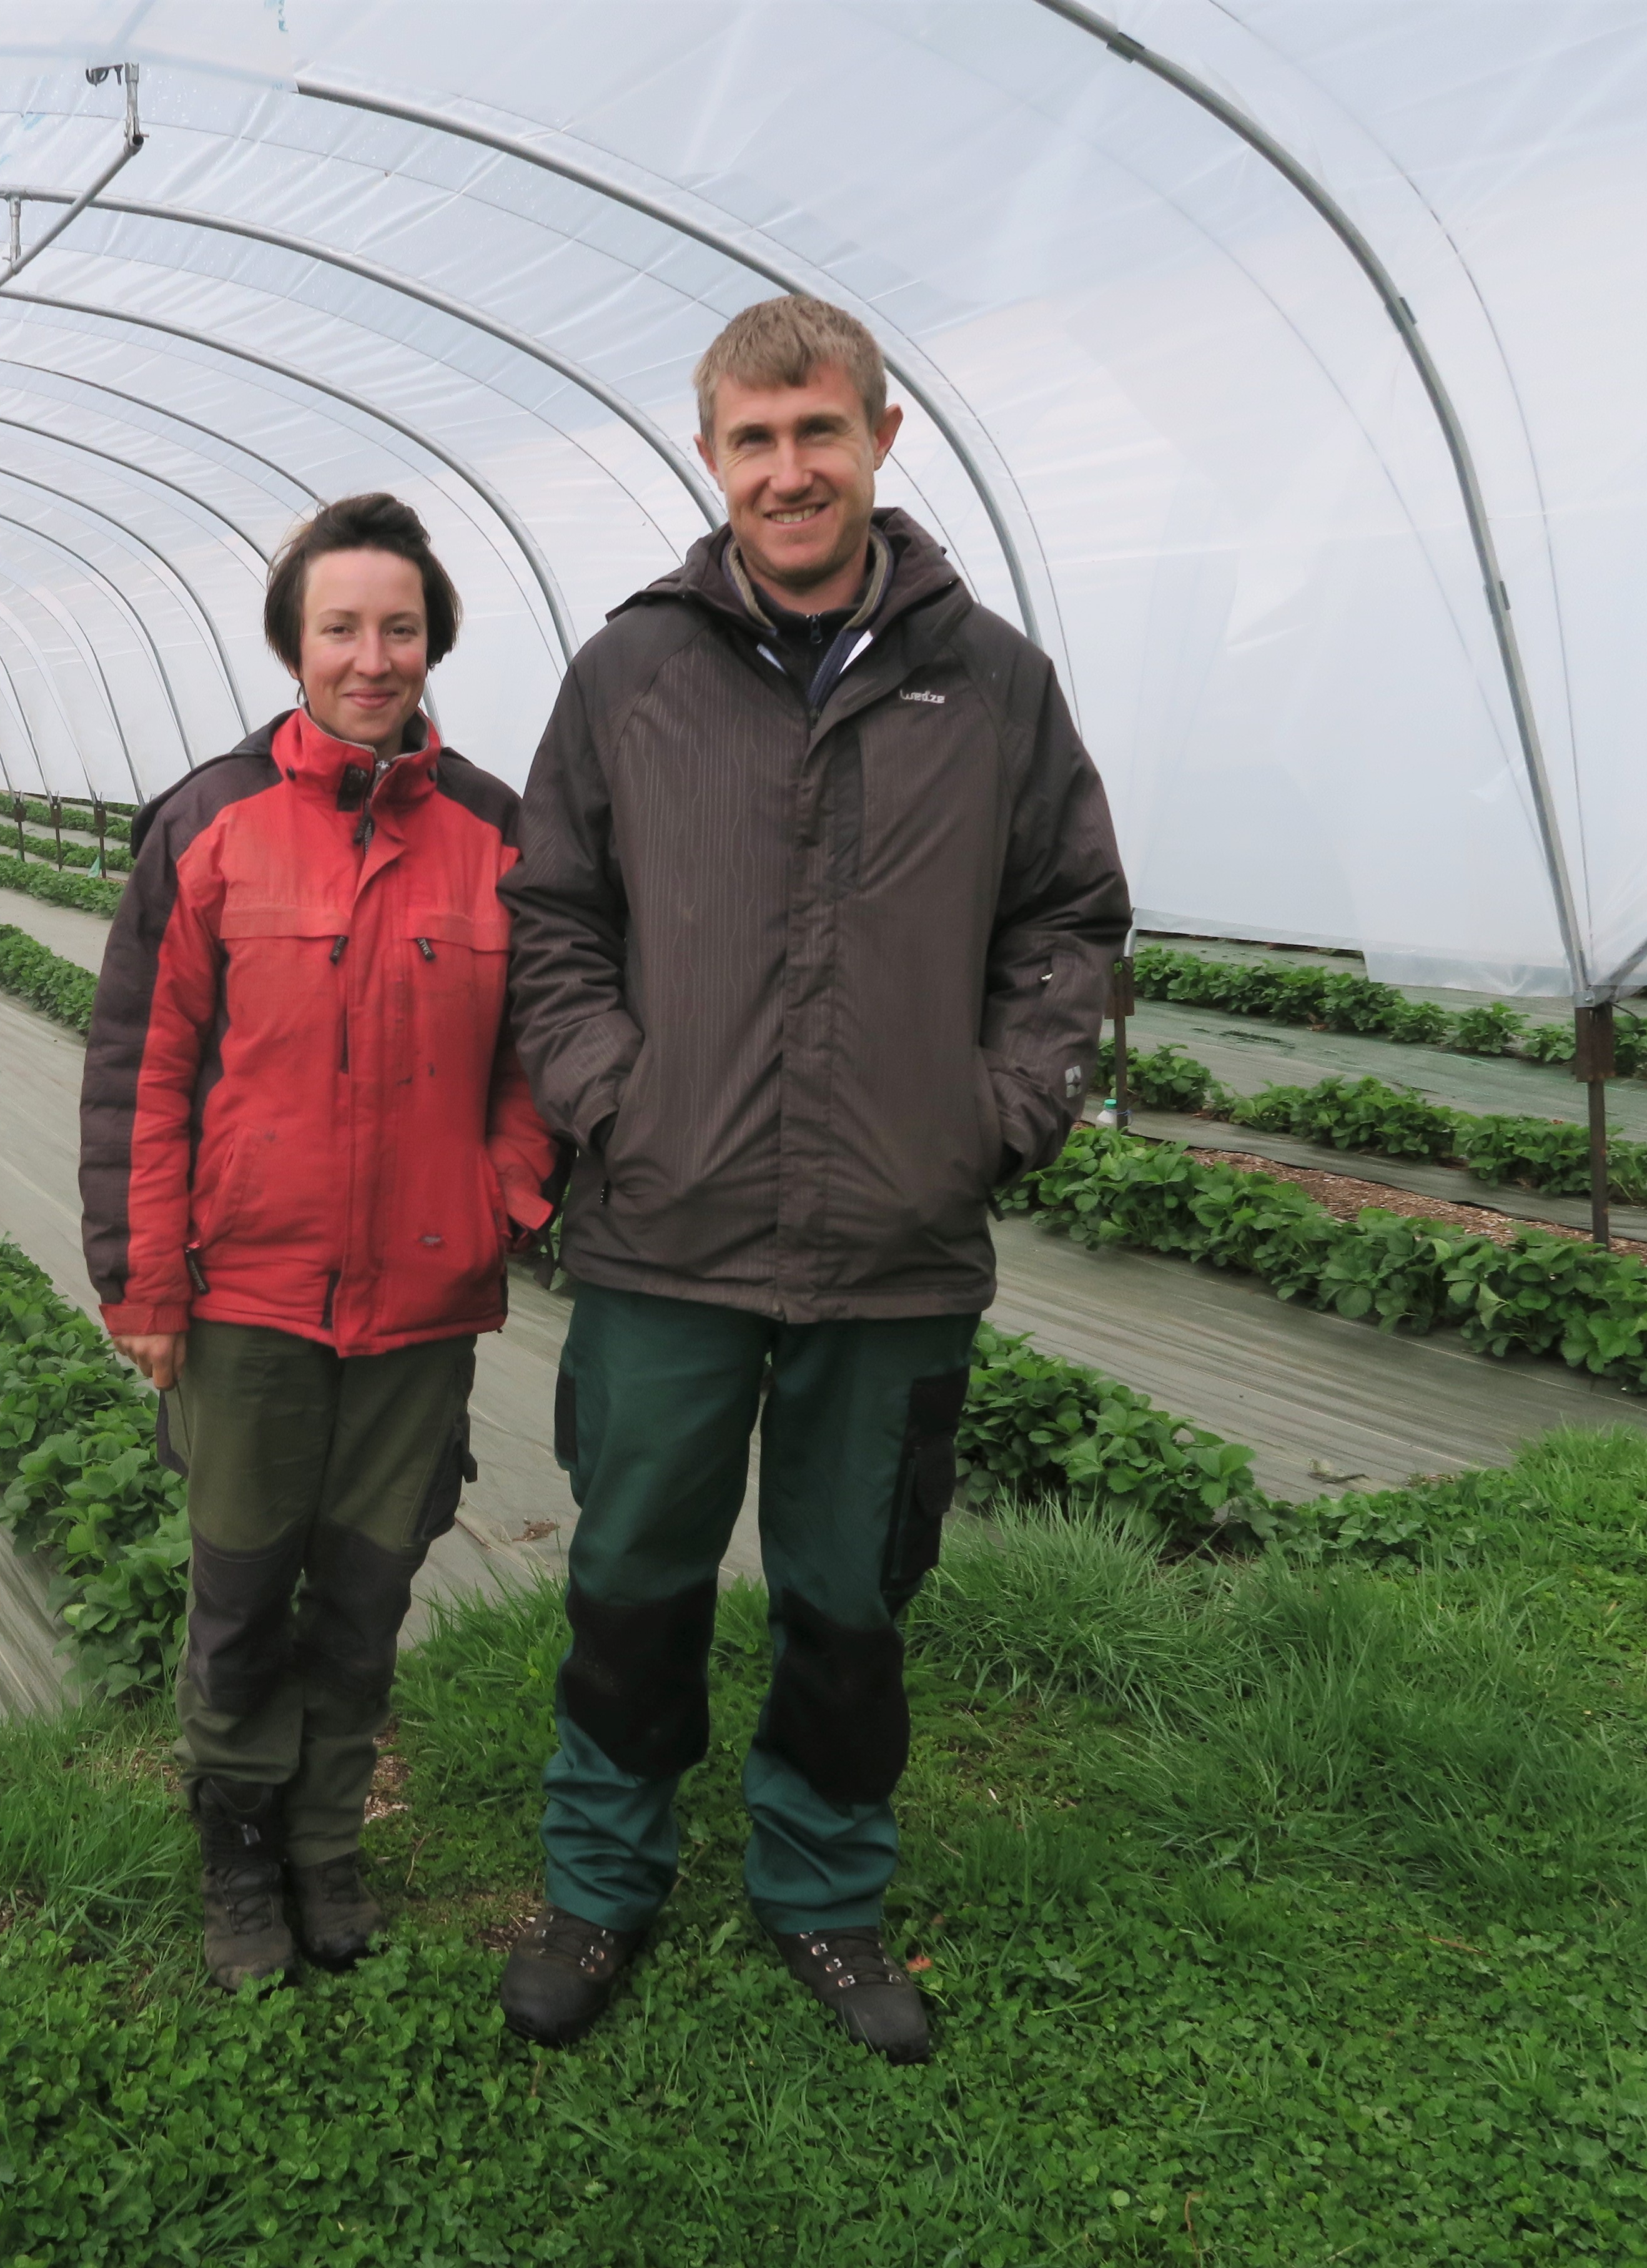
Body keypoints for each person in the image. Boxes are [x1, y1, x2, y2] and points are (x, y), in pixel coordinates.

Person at [495, 295, 1130, 2058]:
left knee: (853, 1601)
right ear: (713, 458)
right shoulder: (632, 671)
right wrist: (614, 1093)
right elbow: (553, 912)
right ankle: (602, 1883)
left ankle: (824, 1892)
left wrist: (991, 1115)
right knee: (632, 1581)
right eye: (754, 440)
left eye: (819, 433)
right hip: (665, 1227)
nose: (790, 470)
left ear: (881, 437)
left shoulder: (990, 681)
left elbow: (1071, 919)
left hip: (896, 1244)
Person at [82, 492, 557, 1989]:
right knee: (237, 1601)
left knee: (365, 1600)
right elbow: (142, 1066)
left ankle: (325, 1845)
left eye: (398, 628)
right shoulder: (211, 821)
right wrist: (143, 1275)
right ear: (296, 640)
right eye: (342, 626)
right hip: (247, 1299)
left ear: (434, 643)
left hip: (421, 1305)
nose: (371, 656)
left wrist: (506, 1198)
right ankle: (234, 1856)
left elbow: (539, 1054)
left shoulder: (496, 832)